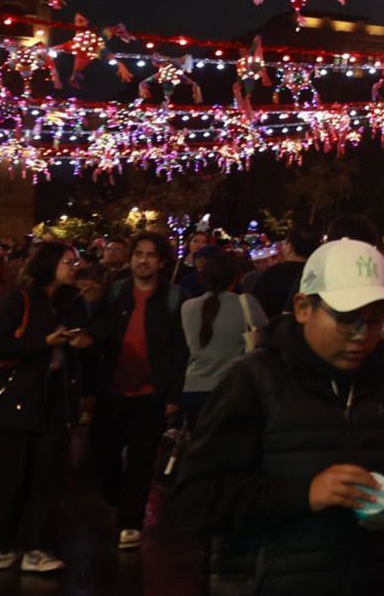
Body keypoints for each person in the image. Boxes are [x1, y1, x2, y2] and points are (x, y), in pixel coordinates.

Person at [171, 239, 384, 595]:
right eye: (347, 320)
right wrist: (304, 495)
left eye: (375, 322)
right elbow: (196, 498)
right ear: (303, 308)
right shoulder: (253, 382)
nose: (362, 336)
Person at [0, 241, 93, 575]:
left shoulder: (72, 300)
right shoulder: (21, 297)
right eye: (66, 261)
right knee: (12, 473)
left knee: (48, 476)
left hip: (56, 398)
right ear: (48, 263)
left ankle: (37, 546)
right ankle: (5, 544)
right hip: (20, 397)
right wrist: (42, 344)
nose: (74, 267)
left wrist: (83, 342)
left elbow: (91, 339)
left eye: (75, 261)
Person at [89, 230, 188, 551]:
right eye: (138, 254)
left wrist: (174, 395)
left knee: (142, 459)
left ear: (161, 263)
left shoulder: (174, 299)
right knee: (104, 455)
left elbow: (180, 350)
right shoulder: (116, 293)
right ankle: (116, 497)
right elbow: (99, 334)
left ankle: (131, 522)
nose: (142, 261)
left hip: (151, 394)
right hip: (112, 390)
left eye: (149, 255)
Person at [180, 250, 266, 427]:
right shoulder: (245, 303)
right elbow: (266, 336)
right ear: (235, 278)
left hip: (193, 388)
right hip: (233, 388)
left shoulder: (187, 308)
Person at [244, 225, 322, 321]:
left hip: (275, 331)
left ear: (289, 248)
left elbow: (255, 308)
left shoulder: (271, 274)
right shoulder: (319, 274)